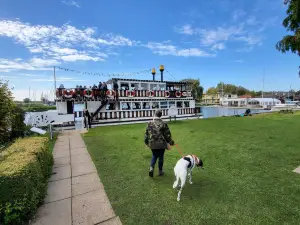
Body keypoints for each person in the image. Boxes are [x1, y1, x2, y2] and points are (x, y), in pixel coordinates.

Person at [144, 110, 175, 177]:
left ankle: (151, 168)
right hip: (161, 144)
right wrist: (171, 142)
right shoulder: (164, 124)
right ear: (161, 115)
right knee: (161, 157)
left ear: (155, 114)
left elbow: (146, 134)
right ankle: (160, 171)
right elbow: (167, 135)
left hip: (152, 144)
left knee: (154, 156)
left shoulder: (149, 123)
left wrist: (146, 142)